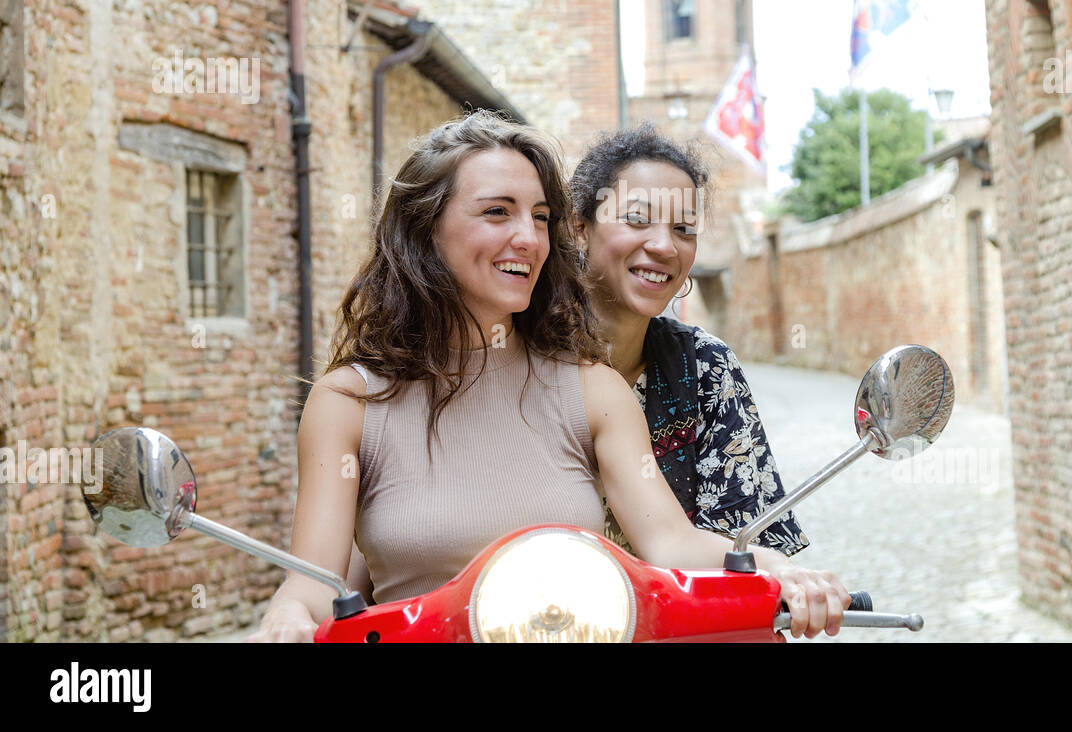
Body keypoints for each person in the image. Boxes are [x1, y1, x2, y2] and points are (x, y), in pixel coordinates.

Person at [247, 111, 849, 642]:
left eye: (540, 217)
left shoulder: (593, 389)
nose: (528, 238)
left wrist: (770, 566)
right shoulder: (347, 402)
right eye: (496, 212)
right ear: (425, 229)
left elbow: (671, 540)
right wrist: (285, 618)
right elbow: (314, 585)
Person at [569, 123, 807, 557]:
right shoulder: (522, 357)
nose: (664, 246)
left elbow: (741, 546)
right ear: (579, 227)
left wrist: (780, 572)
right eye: (637, 219)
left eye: (684, 229)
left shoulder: (705, 368)